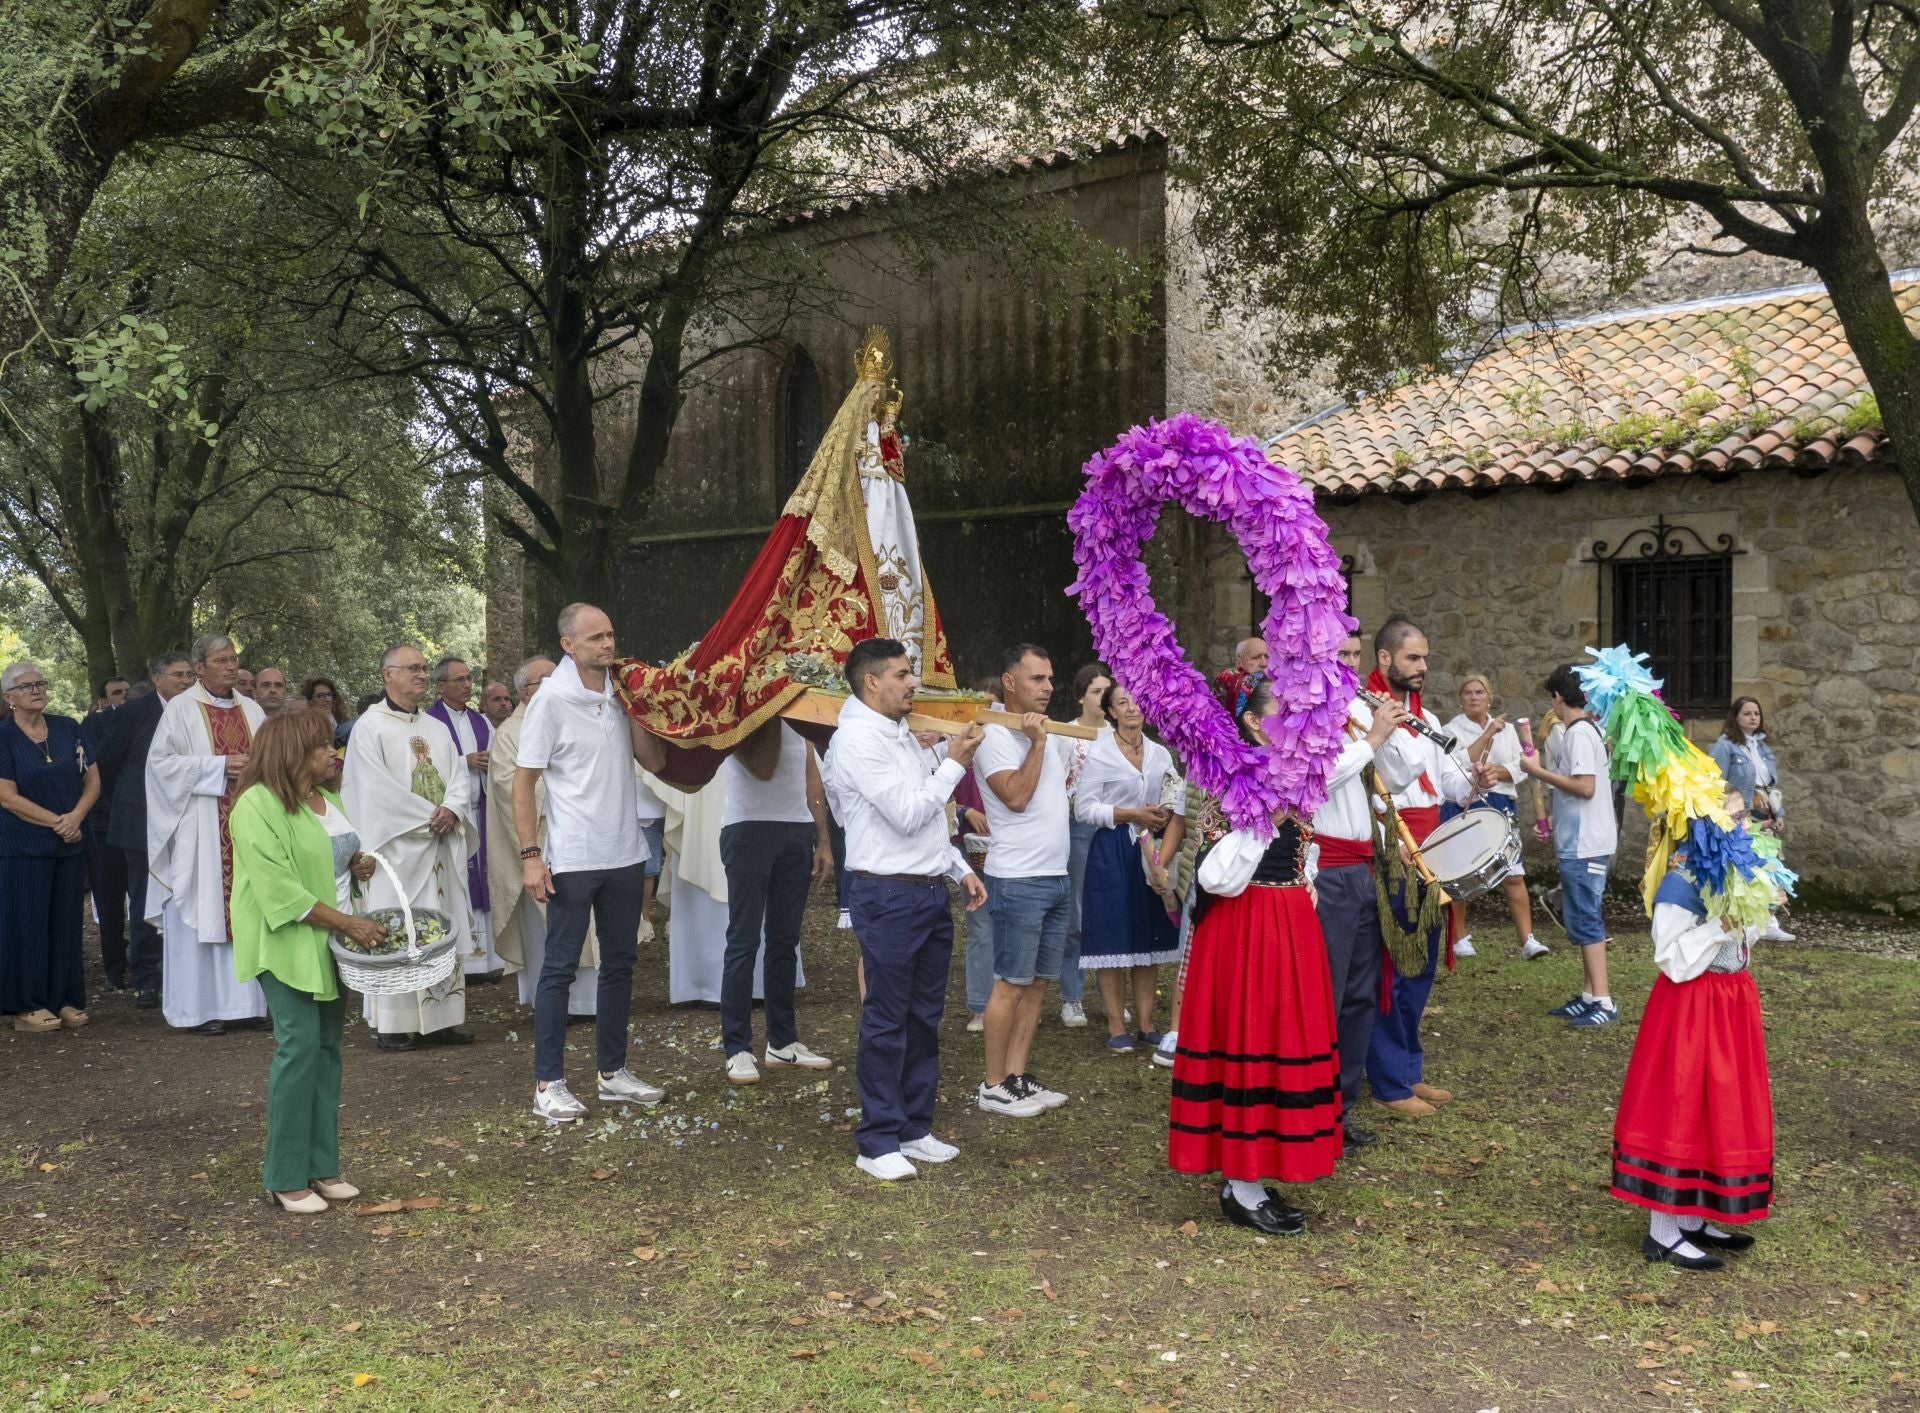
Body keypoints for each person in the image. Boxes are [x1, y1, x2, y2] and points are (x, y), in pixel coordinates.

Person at [1170, 674, 1343, 1235]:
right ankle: (1240, 1185)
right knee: (1250, 1039)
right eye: (1282, 713)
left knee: (1281, 1040)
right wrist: (1269, 817)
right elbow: (1216, 875)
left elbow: (1305, 845)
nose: (1295, 724)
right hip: (1247, 926)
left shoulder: (1290, 775)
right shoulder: (1237, 777)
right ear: (1251, 721)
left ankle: (1257, 1173)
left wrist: (1305, 874)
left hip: (1288, 921)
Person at [824, 637, 988, 1181]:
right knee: (887, 1017)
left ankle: (914, 1127)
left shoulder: (898, 734)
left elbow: (925, 824)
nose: (912, 683)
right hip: (886, 894)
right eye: (901, 674)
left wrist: (957, 867)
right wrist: (954, 763)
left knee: (923, 1016)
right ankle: (876, 1140)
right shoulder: (856, 741)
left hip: (925, 888)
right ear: (871, 682)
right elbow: (905, 813)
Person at [515, 604, 669, 1120]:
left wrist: (636, 708)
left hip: (626, 850)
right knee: (558, 968)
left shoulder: (617, 693)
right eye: (596, 638)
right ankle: (548, 1084)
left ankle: (612, 1073)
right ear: (568, 645)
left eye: (611, 634)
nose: (608, 644)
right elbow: (523, 781)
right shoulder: (551, 700)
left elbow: (655, 762)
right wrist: (531, 856)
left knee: (620, 964)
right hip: (574, 855)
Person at [1611, 789, 1774, 1270]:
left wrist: (1755, 912)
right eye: (1737, 814)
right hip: (1692, 1005)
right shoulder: (1684, 877)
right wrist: (1723, 923)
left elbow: (1746, 933)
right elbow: (1669, 955)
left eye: (1747, 813)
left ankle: (1693, 1215)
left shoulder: (1735, 868)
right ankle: (1662, 1230)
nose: (1747, 822)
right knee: (1682, 1103)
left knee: (1718, 1107)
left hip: (1730, 1002)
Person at [229, 711, 383, 1214]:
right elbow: (279, 889)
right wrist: (347, 923)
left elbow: (332, 861)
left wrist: (358, 866)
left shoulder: (328, 799)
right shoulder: (255, 805)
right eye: (322, 747)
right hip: (287, 942)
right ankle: (285, 1175)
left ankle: (322, 1167)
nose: (332, 754)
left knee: (328, 1049)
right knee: (298, 1047)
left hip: (331, 943)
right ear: (294, 752)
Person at [1309, 635, 1417, 1148]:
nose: (1351, 666)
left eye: (1355, 656)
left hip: (1363, 866)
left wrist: (1386, 730)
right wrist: (1370, 740)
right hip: (1325, 869)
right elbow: (1316, 779)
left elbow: (1402, 772)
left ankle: (1342, 1109)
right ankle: (1310, 1111)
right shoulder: (1301, 710)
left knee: (1358, 996)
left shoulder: (1355, 708)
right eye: (1342, 657)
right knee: (1325, 995)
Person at [342, 643, 477, 1051]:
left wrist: (452, 810)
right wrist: (428, 817)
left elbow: (457, 778)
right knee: (400, 929)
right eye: (412, 668)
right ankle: (394, 1025)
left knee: (440, 924)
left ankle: (442, 1019)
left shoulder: (436, 728)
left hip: (437, 844)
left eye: (423, 668)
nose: (421, 674)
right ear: (388, 675)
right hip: (395, 850)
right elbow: (372, 791)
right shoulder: (370, 727)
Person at [1362, 618, 1473, 1117]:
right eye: (1413, 658)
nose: (1423, 667)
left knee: (1422, 962)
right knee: (1395, 965)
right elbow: (1381, 780)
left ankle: (1407, 1070)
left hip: (1430, 846)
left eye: (1425, 658)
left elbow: (1447, 781)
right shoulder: (1364, 711)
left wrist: (1474, 778)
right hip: (1394, 847)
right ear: (1384, 659)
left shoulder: (1424, 713)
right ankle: (1388, 1082)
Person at [145, 635, 270, 1034]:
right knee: (202, 909)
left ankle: (248, 1005)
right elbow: (160, 766)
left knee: (249, 906)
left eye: (234, 659)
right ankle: (200, 1010)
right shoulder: (181, 709)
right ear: (200, 668)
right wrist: (217, 767)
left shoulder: (252, 709)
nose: (232, 666)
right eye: (222, 660)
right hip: (202, 828)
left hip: (247, 826)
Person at [973, 643, 1073, 1118]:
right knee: (1010, 983)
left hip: (1054, 875)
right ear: (1009, 682)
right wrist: (1036, 744)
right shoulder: (993, 731)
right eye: (1037, 678)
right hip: (1018, 877)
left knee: (1037, 984)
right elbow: (1015, 797)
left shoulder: (1050, 732)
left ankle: (1016, 1077)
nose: (1048, 687)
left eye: (1050, 678)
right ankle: (992, 1084)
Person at [716, 720, 835, 1084]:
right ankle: (737, 1047)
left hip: (796, 828)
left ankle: (782, 1042)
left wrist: (823, 838)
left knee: (785, 942)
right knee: (744, 940)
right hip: (747, 826)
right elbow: (760, 766)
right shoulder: (745, 706)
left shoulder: (800, 711)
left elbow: (810, 771)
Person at [1075, 683, 1185, 1054]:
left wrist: (1161, 815)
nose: (1133, 708)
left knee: (1149, 934)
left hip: (1151, 849)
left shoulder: (1159, 753)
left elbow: (1174, 795)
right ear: (1111, 712)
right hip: (1112, 849)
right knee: (1112, 932)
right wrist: (1130, 814)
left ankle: (1147, 1024)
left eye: (1137, 701)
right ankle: (1115, 1024)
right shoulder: (1100, 753)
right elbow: (1083, 809)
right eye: (1123, 702)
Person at [488, 657, 600, 1015]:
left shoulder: (569, 715)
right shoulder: (510, 734)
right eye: (547, 680)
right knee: (550, 925)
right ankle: (556, 1004)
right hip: (543, 841)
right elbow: (511, 787)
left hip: (581, 837)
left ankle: (590, 1002)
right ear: (526, 691)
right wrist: (568, 796)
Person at [1, 661, 100, 1033]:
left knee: (65, 925)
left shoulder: (66, 728)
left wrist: (75, 817)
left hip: (69, 843)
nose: (36, 690)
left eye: (41, 683)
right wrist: (57, 822)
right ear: (9, 697)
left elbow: (92, 778)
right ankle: (28, 1006)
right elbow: (7, 797)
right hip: (23, 846)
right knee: (28, 925)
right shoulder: (3, 737)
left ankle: (65, 998)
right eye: (26, 686)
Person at [1519, 663, 1619, 1027]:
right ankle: (1591, 994)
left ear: (1558, 697)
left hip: (1586, 843)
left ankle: (1604, 1002)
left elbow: (1585, 786)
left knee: (1587, 920)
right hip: (1580, 841)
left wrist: (1537, 771)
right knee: (1579, 918)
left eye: (1552, 696)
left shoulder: (1578, 732)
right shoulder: (1585, 730)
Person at [95, 652, 193, 1009]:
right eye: (178, 675)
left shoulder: (196, 712)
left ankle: (184, 970)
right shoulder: (133, 713)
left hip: (186, 817)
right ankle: (146, 977)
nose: (186, 681)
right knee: (144, 894)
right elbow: (105, 763)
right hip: (140, 819)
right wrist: (129, 801)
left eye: (189, 675)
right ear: (156, 678)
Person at [1442, 673, 1547, 960]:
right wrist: (1487, 736)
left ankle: (1527, 940)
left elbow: (1522, 765)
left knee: (1513, 873)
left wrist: (1492, 771)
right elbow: (1459, 762)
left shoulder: (1510, 729)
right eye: (1468, 693)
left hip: (1501, 802)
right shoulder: (1450, 729)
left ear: (1489, 697)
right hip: (1465, 802)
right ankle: (1459, 937)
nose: (1474, 697)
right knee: (1461, 874)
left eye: (1479, 692)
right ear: (1461, 699)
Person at [428, 656, 499, 978]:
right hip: (450, 815)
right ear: (441, 686)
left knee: (485, 879)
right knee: (458, 881)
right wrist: (463, 761)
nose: (468, 684)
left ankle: (489, 960)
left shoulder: (481, 722)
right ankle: (462, 962)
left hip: (481, 809)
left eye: (469, 678)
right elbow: (427, 766)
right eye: (459, 680)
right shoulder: (430, 723)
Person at [1053, 662, 1111, 1029]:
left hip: (1113, 829)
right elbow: (1056, 786)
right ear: (1080, 697)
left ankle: (1110, 995)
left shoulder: (1118, 735)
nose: (1103, 698)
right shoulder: (1065, 735)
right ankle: (1071, 997)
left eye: (1108, 691)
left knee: (1108, 913)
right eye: (1095, 691)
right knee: (1075, 915)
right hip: (1077, 828)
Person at [1709, 698, 1793, 943]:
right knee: (1750, 866)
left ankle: (1770, 920)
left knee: (1772, 865)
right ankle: (1748, 922)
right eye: (1747, 713)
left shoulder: (1763, 748)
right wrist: (1728, 817)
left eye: (1756, 713)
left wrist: (1779, 813)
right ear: (1735, 717)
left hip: (1764, 813)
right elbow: (1716, 783)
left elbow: (1771, 785)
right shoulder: (1725, 747)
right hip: (1742, 815)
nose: (1753, 718)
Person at [80, 691, 131, 989]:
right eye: (116, 694)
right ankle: (115, 968)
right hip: (103, 824)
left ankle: (145, 965)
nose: (122, 699)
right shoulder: (93, 726)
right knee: (110, 901)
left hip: (140, 823)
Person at [1212, 636, 1268, 714]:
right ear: (1239, 662)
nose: (1264, 663)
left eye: (1267, 657)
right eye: (1255, 658)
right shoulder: (1226, 679)